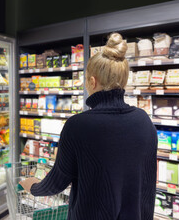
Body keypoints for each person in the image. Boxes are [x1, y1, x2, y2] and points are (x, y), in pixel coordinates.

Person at [20, 33, 157, 220]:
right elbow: (148, 184)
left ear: (92, 82)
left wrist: (33, 186)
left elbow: (57, 182)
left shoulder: (78, 126)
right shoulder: (144, 121)